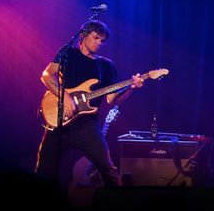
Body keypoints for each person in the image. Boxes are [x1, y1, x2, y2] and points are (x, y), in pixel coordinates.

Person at [35, 20, 144, 187]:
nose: (99, 43)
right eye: (96, 38)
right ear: (83, 35)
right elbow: (46, 76)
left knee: (109, 171)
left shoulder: (106, 65)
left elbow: (111, 99)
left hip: (87, 126)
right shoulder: (67, 54)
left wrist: (131, 87)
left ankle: (119, 208)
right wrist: (66, 97)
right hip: (58, 123)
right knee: (43, 172)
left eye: (102, 40)